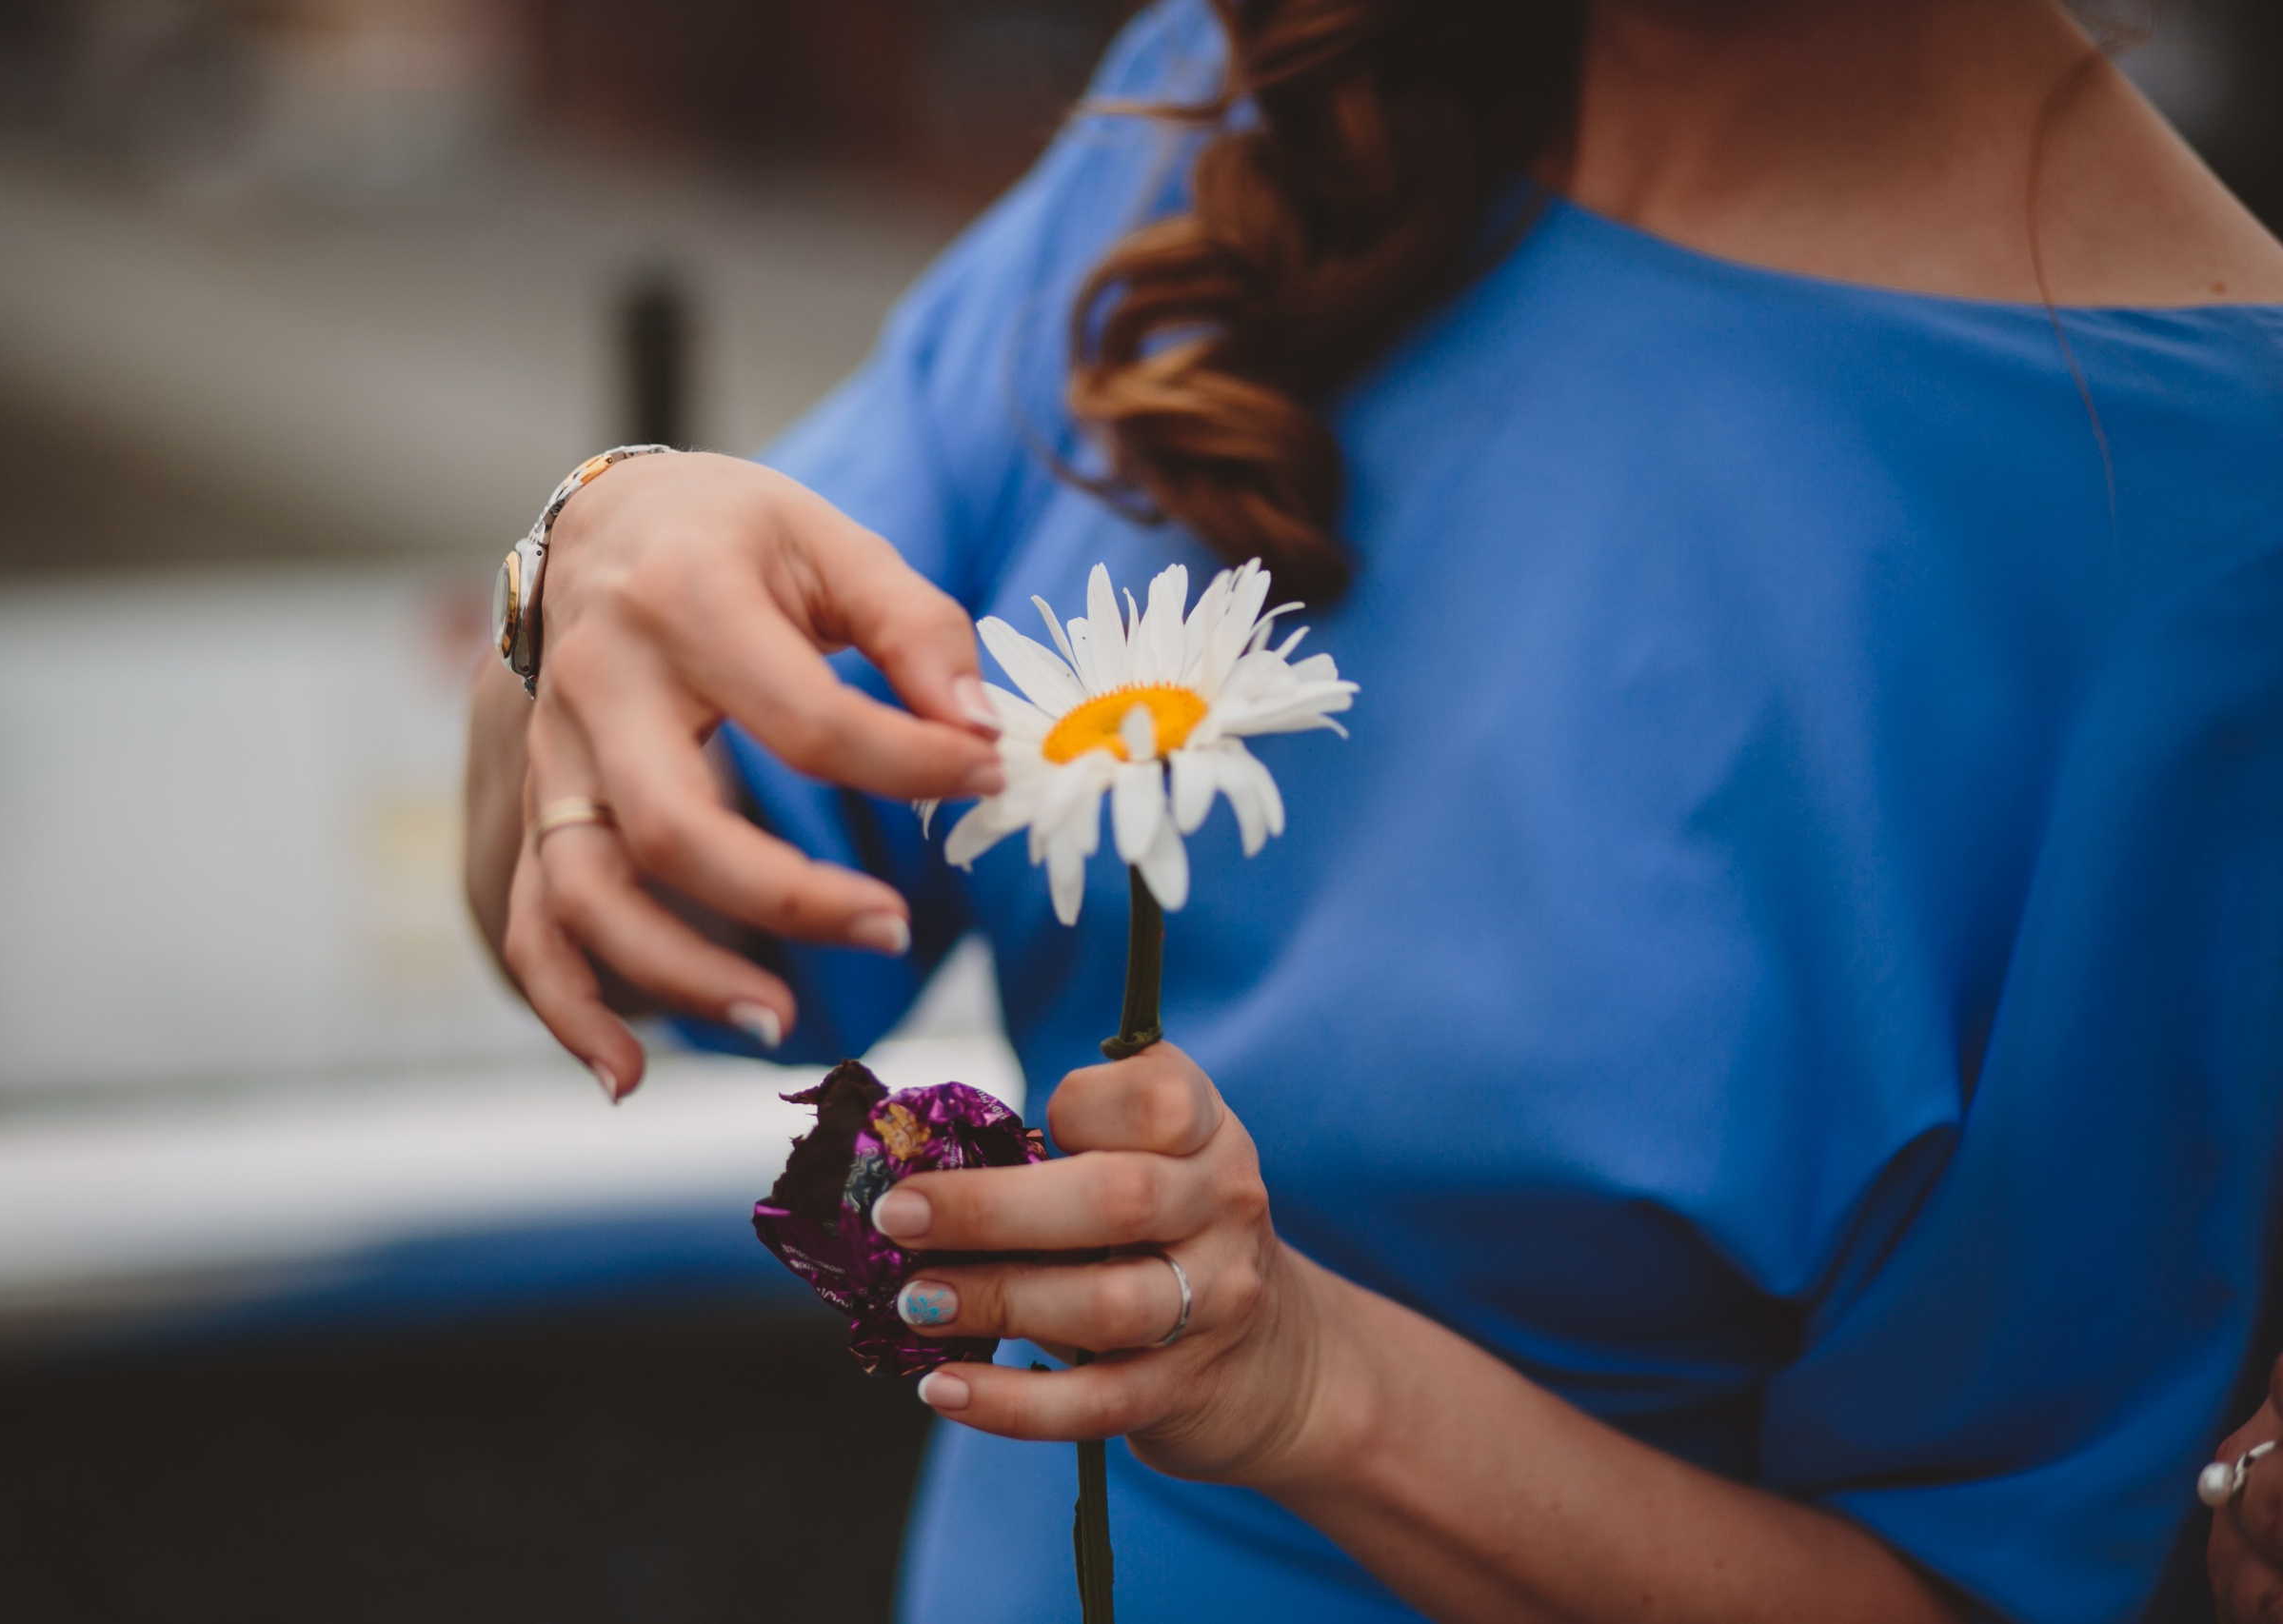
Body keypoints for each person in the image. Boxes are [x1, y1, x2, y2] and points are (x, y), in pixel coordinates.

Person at [463, 2, 2283, 1619]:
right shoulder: (1253, 82)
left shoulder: (2208, 512)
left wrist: (1318, 1387)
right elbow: (657, 922)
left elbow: (1986, 1580)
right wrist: (586, 564)